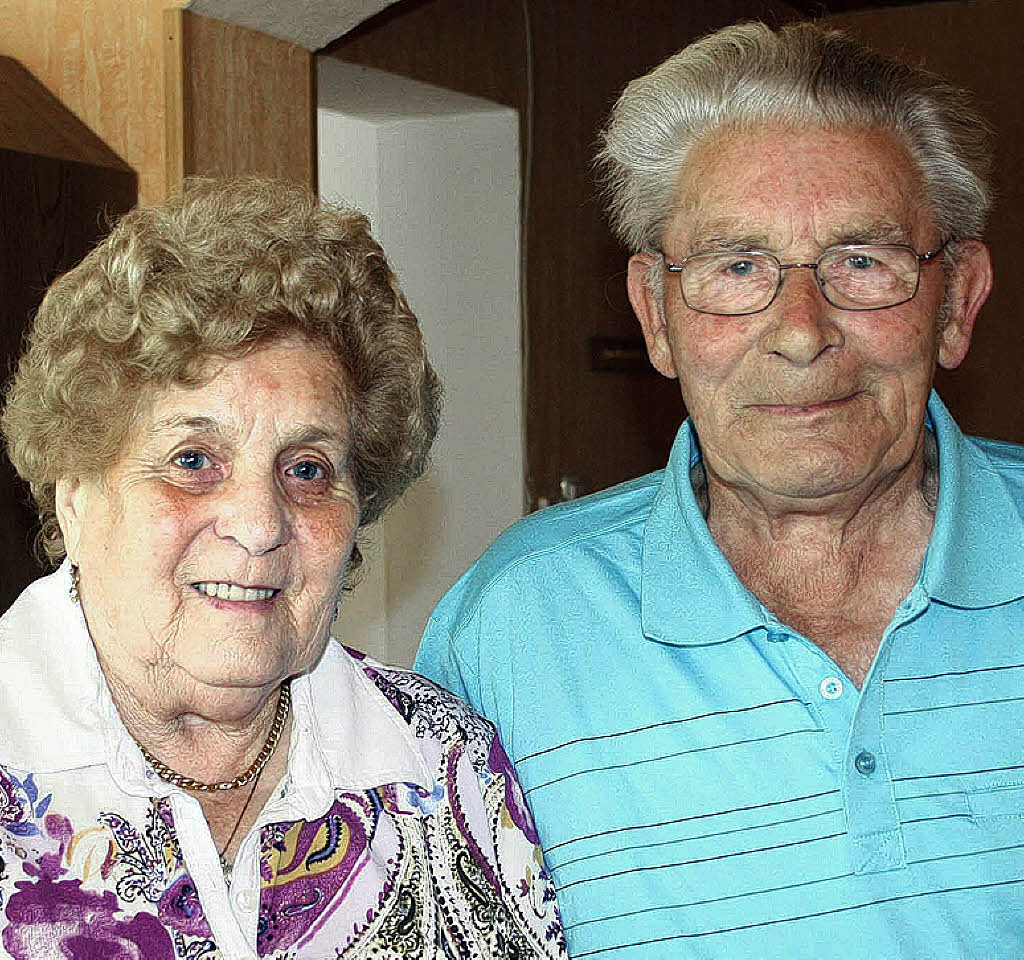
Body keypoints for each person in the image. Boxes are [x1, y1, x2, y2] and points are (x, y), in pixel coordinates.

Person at [416, 21, 1024, 959]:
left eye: (862, 261)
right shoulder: (512, 630)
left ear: (957, 302)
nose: (799, 331)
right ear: (656, 315)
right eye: (736, 268)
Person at [0, 177, 565, 959]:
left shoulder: (445, 766)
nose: (262, 524)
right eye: (193, 459)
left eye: (306, 469)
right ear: (77, 497)